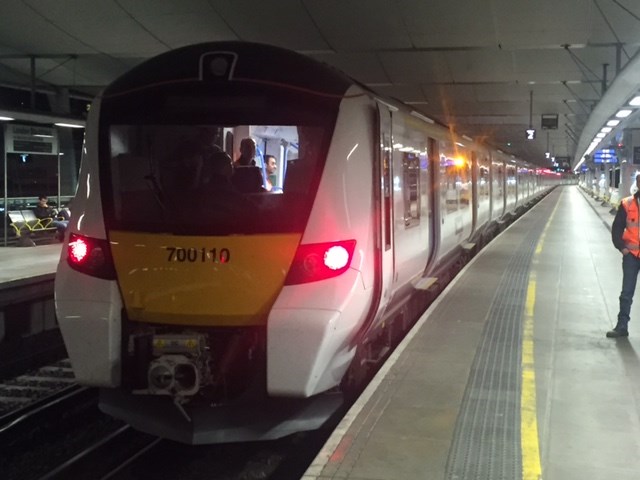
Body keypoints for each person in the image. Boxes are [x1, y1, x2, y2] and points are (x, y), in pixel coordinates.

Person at [608, 173, 640, 338]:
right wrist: (622, 247)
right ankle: (622, 326)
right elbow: (617, 228)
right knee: (626, 292)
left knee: (626, 292)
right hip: (632, 256)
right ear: (638, 183)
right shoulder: (627, 204)